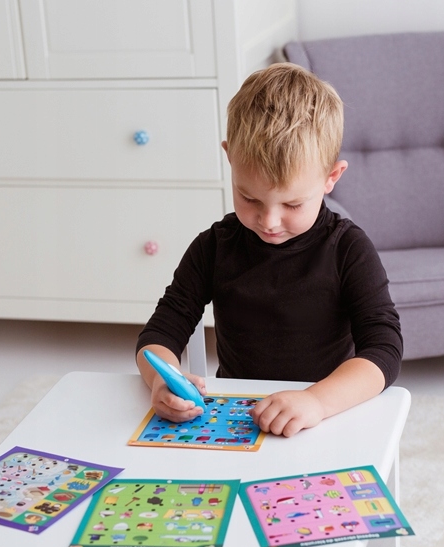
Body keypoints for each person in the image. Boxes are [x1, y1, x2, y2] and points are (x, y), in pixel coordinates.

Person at [136, 62, 402, 437]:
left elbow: (384, 350)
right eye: (250, 198)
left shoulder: (348, 250)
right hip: (239, 418)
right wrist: (161, 380)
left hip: (325, 416)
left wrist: (316, 401)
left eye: (292, 204)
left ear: (331, 177)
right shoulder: (213, 247)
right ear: (230, 158)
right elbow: (159, 333)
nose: (269, 221)